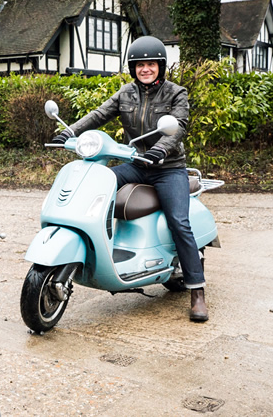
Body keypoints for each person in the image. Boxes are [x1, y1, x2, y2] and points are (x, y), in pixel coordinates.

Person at [51, 35, 208, 322]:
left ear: (160, 66)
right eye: (139, 65)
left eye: (151, 64)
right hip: (135, 163)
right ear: (132, 68)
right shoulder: (126, 94)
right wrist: (70, 131)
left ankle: (196, 289)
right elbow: (99, 115)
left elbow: (179, 125)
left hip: (168, 167)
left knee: (178, 221)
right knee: (96, 187)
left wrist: (161, 150)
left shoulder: (176, 93)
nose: (145, 69)